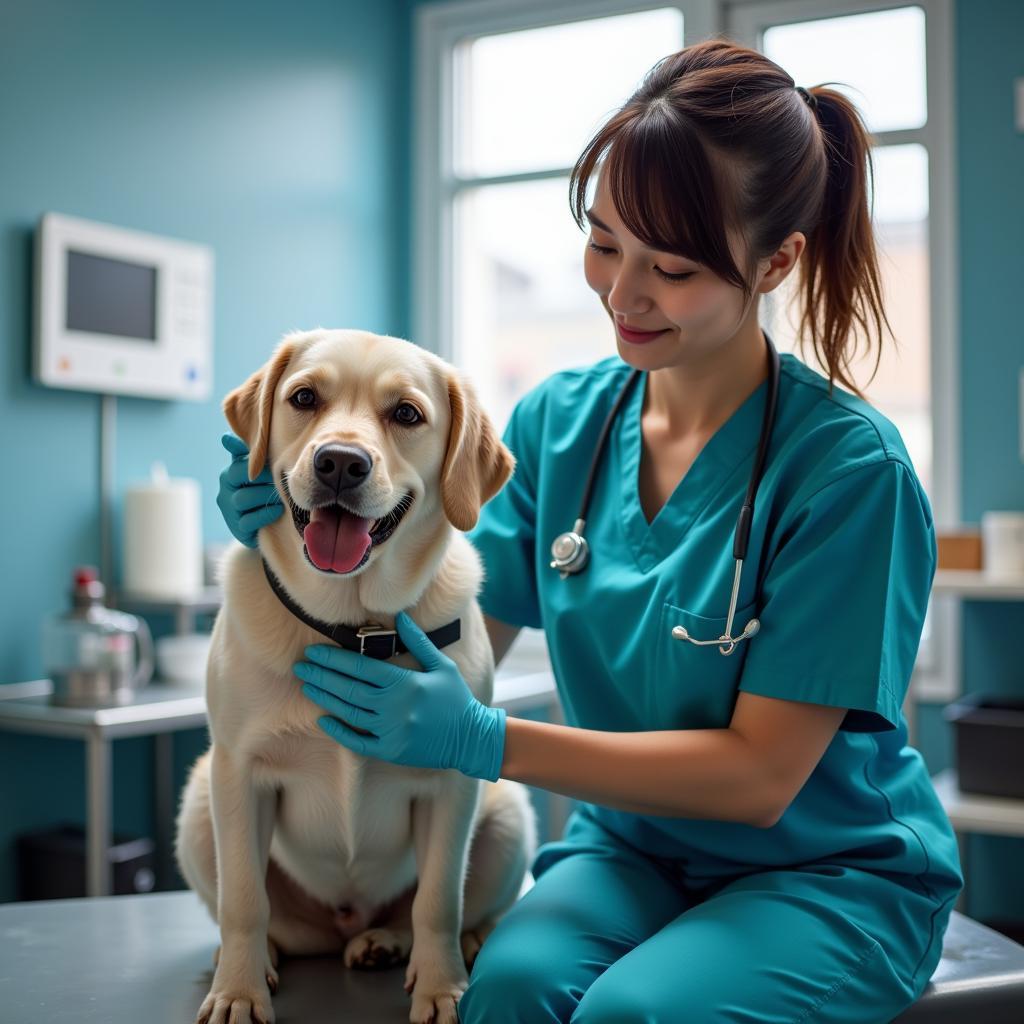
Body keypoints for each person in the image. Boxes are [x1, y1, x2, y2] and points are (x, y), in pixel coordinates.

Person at [217, 39, 962, 1024]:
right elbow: (448, 625)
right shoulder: (560, 426)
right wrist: (296, 523)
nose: (622, 292)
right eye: (605, 241)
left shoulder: (848, 473)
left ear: (776, 261)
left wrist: (486, 740)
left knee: (634, 1014)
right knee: (508, 992)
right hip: (633, 850)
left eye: (674, 267)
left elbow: (756, 776)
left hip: (823, 869)